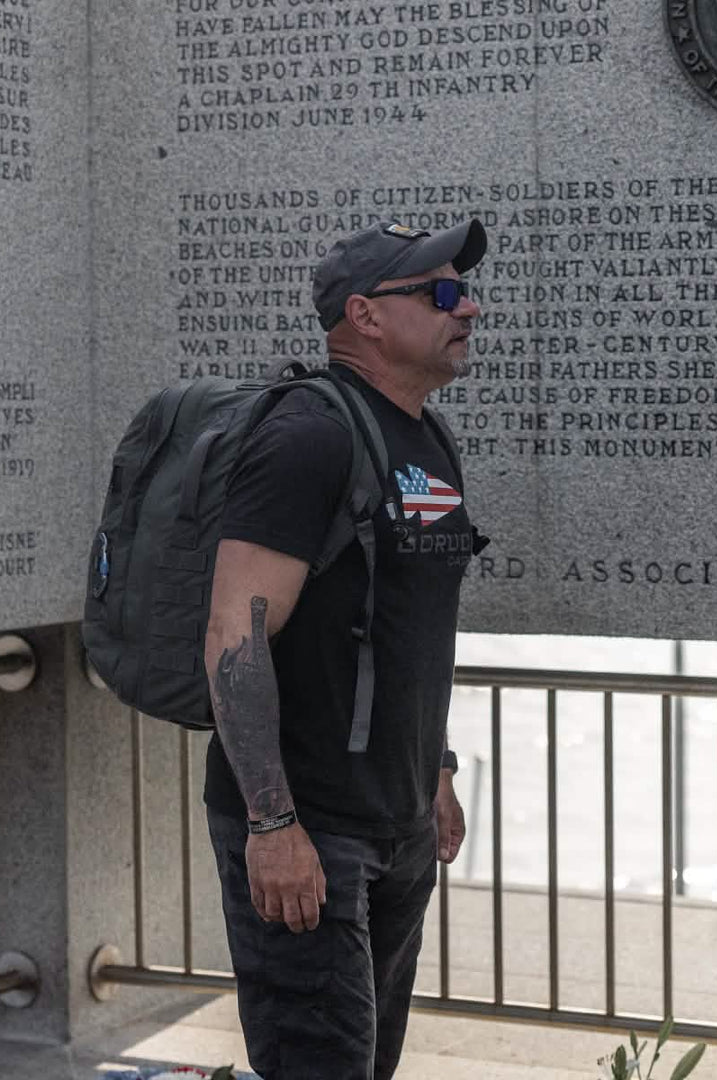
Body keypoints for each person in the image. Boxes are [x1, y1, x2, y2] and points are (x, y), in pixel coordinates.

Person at [201, 216, 487, 1080]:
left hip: (399, 823)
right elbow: (232, 637)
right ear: (364, 316)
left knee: (369, 1063)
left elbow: (411, 620)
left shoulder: (427, 440)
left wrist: (433, 768)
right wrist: (274, 824)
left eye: (464, 289)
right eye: (440, 292)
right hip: (309, 828)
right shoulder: (308, 439)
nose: (468, 305)